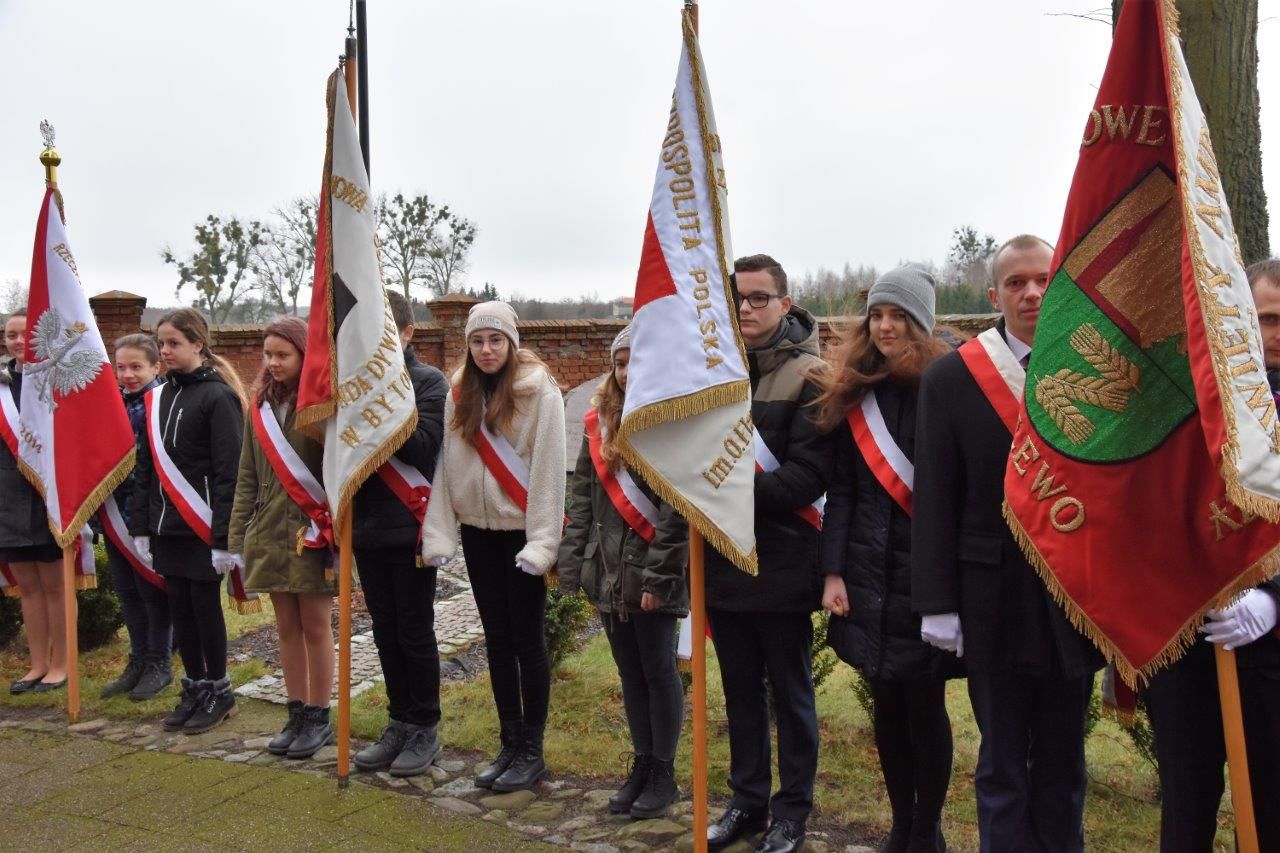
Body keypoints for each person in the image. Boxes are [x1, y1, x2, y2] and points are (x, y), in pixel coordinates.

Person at [912, 235, 1102, 853]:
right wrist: (936, 601)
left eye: (1044, 278)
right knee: (1000, 763)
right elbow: (934, 494)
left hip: (1072, 597)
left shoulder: (1093, 367)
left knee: (1063, 760)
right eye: (1017, 282)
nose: (1032, 292)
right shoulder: (951, 376)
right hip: (989, 598)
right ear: (994, 294)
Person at [813, 265, 959, 853]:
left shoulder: (949, 385)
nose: (886, 326)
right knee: (887, 703)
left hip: (924, 575)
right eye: (877, 314)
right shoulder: (860, 388)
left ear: (922, 322)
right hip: (868, 575)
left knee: (925, 704)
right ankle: (902, 824)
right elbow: (843, 489)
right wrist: (832, 571)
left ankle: (929, 830)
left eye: (899, 315)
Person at [1139, 258, 1280, 852]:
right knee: (1186, 804)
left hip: (1272, 645)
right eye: (1265, 317)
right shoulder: (1182, 402)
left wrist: (1273, 599)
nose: (1275, 333)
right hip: (1189, 631)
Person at [704, 255, 833, 853]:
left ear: (785, 303)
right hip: (725, 561)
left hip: (783, 562)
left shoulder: (813, 376)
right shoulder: (712, 371)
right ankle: (748, 802)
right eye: (740, 299)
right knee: (739, 693)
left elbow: (808, 477)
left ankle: (792, 813)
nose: (748, 309)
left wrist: (722, 491)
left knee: (790, 694)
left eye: (760, 298)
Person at [421, 300, 566, 792]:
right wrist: (439, 531)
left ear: (511, 342)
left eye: (495, 340)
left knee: (528, 641)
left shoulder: (540, 392)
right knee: (497, 643)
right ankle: (509, 741)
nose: (486, 350)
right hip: (478, 534)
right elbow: (446, 467)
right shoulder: (458, 392)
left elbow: (549, 472)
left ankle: (532, 749)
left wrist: (544, 541)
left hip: (522, 537)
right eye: (477, 341)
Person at [558, 325, 689, 819]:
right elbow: (583, 499)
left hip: (654, 572)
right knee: (630, 674)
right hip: (609, 571)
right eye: (620, 362)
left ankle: (664, 772)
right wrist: (573, 569)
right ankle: (641, 762)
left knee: (659, 672)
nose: (628, 371)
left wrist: (659, 578)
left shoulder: (673, 422)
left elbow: (677, 512)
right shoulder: (600, 424)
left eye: (638, 361)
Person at [129, 308, 246, 734]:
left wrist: (224, 539)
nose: (165, 350)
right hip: (166, 527)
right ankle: (195, 684)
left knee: (203, 608)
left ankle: (219, 687)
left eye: (174, 343)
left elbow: (228, 472)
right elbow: (146, 467)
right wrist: (140, 526)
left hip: (202, 527)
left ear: (198, 344)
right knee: (179, 605)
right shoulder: (158, 396)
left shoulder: (218, 397)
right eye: (161, 343)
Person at [228, 317, 335, 759]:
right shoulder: (260, 407)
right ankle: (295, 712)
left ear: (304, 355)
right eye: (268, 355)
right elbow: (247, 475)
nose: (272, 363)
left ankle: (318, 715)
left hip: (312, 531)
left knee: (314, 626)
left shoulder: (325, 404)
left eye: (282, 355)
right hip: (269, 530)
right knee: (285, 628)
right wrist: (237, 539)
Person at [351, 291, 449, 778]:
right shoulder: (353, 382)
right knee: (383, 632)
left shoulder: (429, 382)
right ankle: (398, 720)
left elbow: (425, 448)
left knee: (414, 632)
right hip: (367, 525)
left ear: (407, 333)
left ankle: (425, 726)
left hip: (411, 526)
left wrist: (382, 397)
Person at [98, 334, 172, 701]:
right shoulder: (112, 405)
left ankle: (160, 661)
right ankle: (139, 659)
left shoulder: (162, 403)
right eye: (121, 367)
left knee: (151, 590)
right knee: (127, 592)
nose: (127, 375)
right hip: (115, 513)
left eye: (136, 367)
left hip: (149, 515)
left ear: (156, 367)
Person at [2, 311, 69, 695]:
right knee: (27, 586)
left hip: (47, 496)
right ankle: (37, 664)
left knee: (54, 585)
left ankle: (61, 664)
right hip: (8, 497)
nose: (16, 341)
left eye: (23, 334)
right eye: (10, 335)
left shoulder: (54, 381)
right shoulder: (1, 385)